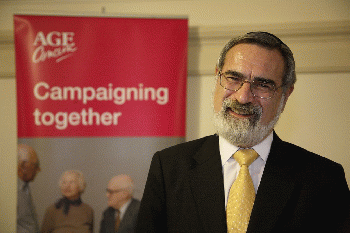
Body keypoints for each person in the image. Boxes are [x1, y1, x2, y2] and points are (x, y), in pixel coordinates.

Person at [135, 32, 350, 233]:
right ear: (217, 76)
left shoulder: (323, 180)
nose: (243, 97)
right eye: (233, 78)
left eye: (263, 85)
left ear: (285, 95)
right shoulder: (170, 166)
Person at [17, 144, 41, 233]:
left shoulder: (25, 187)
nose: (38, 169)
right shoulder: (12, 192)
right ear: (23, 165)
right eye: (35, 165)